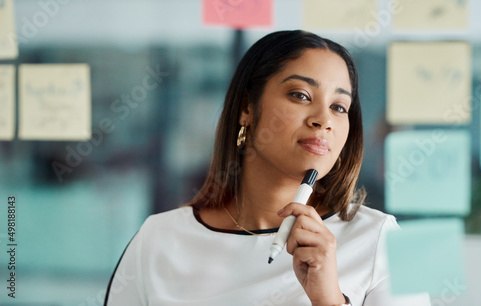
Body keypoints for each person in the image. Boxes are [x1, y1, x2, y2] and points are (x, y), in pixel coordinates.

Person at [105, 30, 430, 305]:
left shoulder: (382, 242)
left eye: (338, 106)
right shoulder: (159, 239)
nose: (324, 120)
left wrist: (329, 299)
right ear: (247, 108)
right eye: (301, 95)